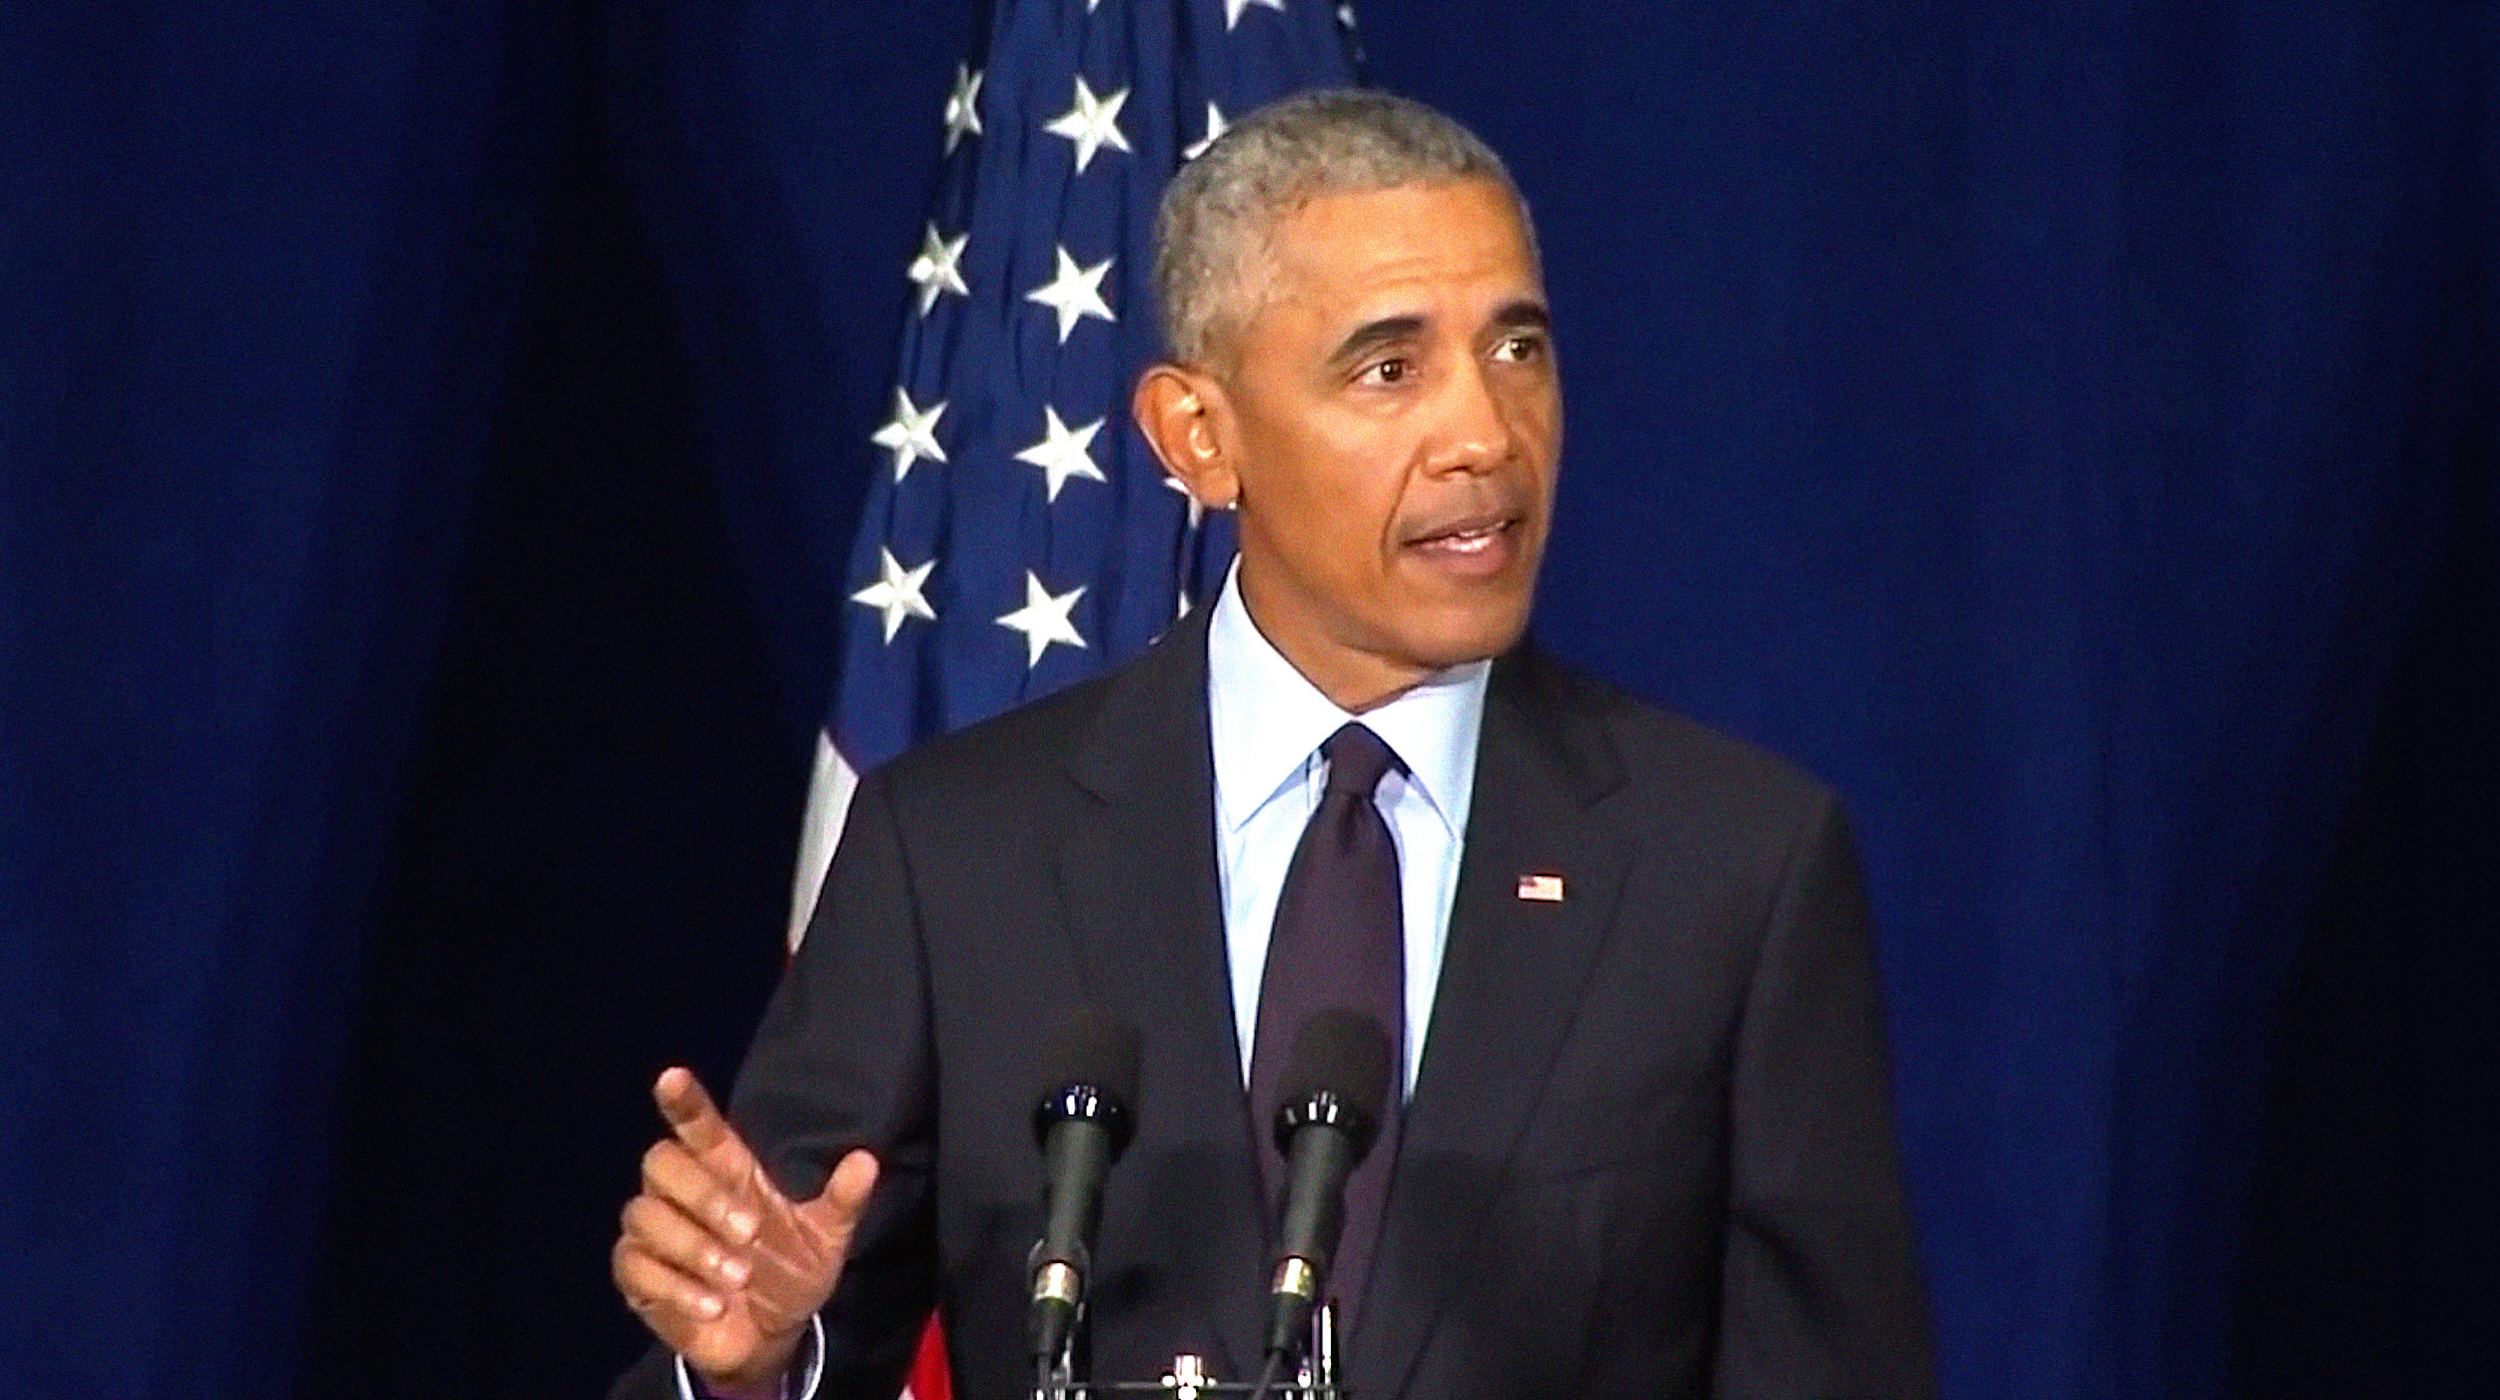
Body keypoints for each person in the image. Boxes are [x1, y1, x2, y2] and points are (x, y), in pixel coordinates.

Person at [609, 89, 1936, 1400]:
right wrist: (755, 1374)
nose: (1485, 434)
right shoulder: (955, 856)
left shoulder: (1734, 870)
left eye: (1519, 348)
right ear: (1202, 436)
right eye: (1390, 366)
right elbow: (771, 1315)